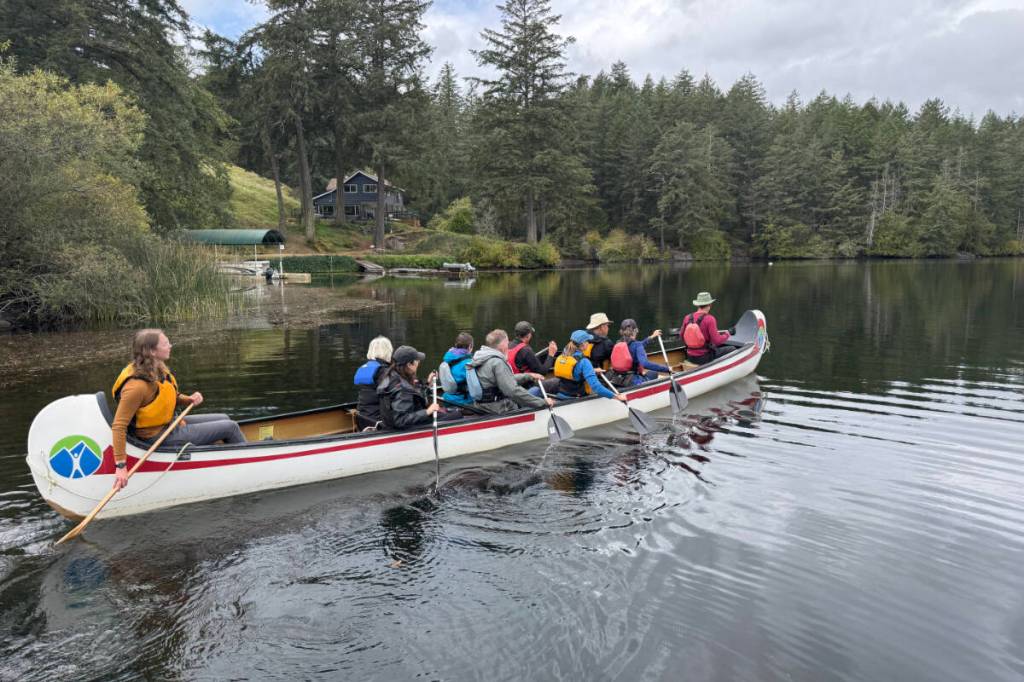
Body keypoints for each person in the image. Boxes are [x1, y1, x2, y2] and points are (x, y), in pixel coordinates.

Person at [111, 329, 245, 490]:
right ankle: (249, 466)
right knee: (230, 427)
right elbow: (119, 426)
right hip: (157, 436)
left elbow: (167, 395)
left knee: (224, 418)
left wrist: (188, 399)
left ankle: (226, 457)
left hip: (170, 424)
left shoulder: (157, 368)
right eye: (165, 343)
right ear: (152, 351)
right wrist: (120, 466)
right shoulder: (136, 387)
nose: (170, 346)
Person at [469, 329, 555, 415]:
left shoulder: (480, 358)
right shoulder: (497, 363)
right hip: (498, 408)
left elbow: (505, 379)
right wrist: (542, 402)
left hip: (481, 406)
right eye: (507, 343)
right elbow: (513, 391)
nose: (508, 346)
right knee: (536, 390)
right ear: (503, 345)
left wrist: (529, 376)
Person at [377, 345, 461, 430]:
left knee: (449, 411)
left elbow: (414, 395)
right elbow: (400, 420)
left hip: (396, 421)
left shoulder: (391, 376)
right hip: (408, 425)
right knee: (456, 414)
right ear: (409, 364)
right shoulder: (402, 389)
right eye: (416, 360)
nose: (419, 362)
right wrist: (427, 412)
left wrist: (428, 384)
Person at [541, 330, 628, 403]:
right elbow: (596, 387)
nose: (589, 343)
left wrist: (592, 370)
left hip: (561, 394)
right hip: (575, 398)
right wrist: (616, 397)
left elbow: (574, 372)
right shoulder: (584, 362)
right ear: (583, 344)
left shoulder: (563, 356)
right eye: (587, 341)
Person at [607, 319, 669, 387]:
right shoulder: (637, 345)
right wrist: (667, 369)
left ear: (621, 331)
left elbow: (639, 345)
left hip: (618, 379)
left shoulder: (618, 343)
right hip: (633, 381)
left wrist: (652, 336)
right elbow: (645, 364)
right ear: (635, 331)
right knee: (654, 373)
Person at [680, 292, 736, 366]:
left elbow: (681, 335)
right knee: (732, 349)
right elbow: (717, 341)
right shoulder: (710, 319)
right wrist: (727, 334)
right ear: (710, 304)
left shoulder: (687, 318)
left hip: (690, 356)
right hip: (704, 357)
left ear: (698, 305)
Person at [353, 335, 393, 430]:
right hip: (377, 421)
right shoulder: (384, 371)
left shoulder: (364, 368)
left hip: (363, 417)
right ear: (388, 351)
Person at [440, 332, 475, 406]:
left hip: (447, 398)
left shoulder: (447, 358)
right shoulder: (469, 363)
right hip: (464, 401)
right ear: (470, 346)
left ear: (456, 345)